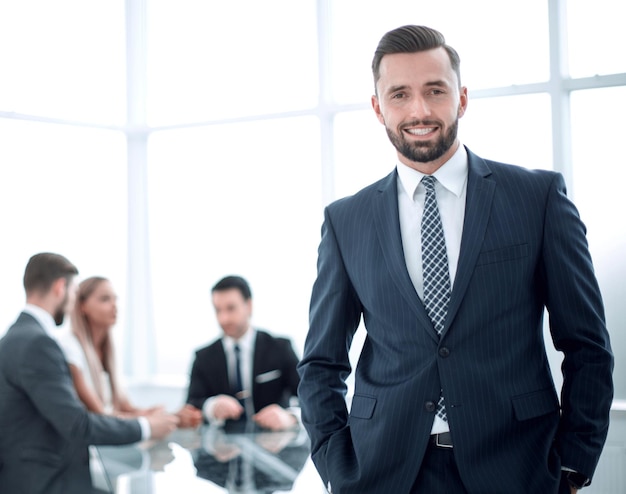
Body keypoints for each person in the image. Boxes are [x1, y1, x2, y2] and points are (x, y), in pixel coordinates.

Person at [296, 25, 613, 494]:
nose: (419, 110)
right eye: (399, 94)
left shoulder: (537, 198)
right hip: (382, 472)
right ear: (377, 107)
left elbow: (587, 344)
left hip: (517, 468)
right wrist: (335, 463)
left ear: (461, 99)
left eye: (434, 91)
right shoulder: (346, 220)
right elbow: (321, 363)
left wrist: (571, 465)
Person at [0, 252, 179, 494]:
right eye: (74, 293)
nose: (73, 302)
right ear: (60, 287)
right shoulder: (38, 343)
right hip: (45, 481)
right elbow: (77, 425)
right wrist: (145, 427)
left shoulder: (15, 337)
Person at [180, 275, 300, 432]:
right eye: (218, 310)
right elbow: (191, 404)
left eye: (231, 308)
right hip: (222, 449)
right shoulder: (203, 357)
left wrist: (290, 416)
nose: (223, 318)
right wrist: (212, 406)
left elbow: (308, 396)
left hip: (275, 446)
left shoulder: (280, 348)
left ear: (248, 306)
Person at [57, 276, 163, 417]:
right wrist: (149, 421)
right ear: (82, 306)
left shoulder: (110, 351)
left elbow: (125, 407)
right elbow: (99, 413)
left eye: (115, 299)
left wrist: (165, 415)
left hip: (109, 432)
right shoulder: (69, 347)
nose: (114, 305)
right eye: (105, 299)